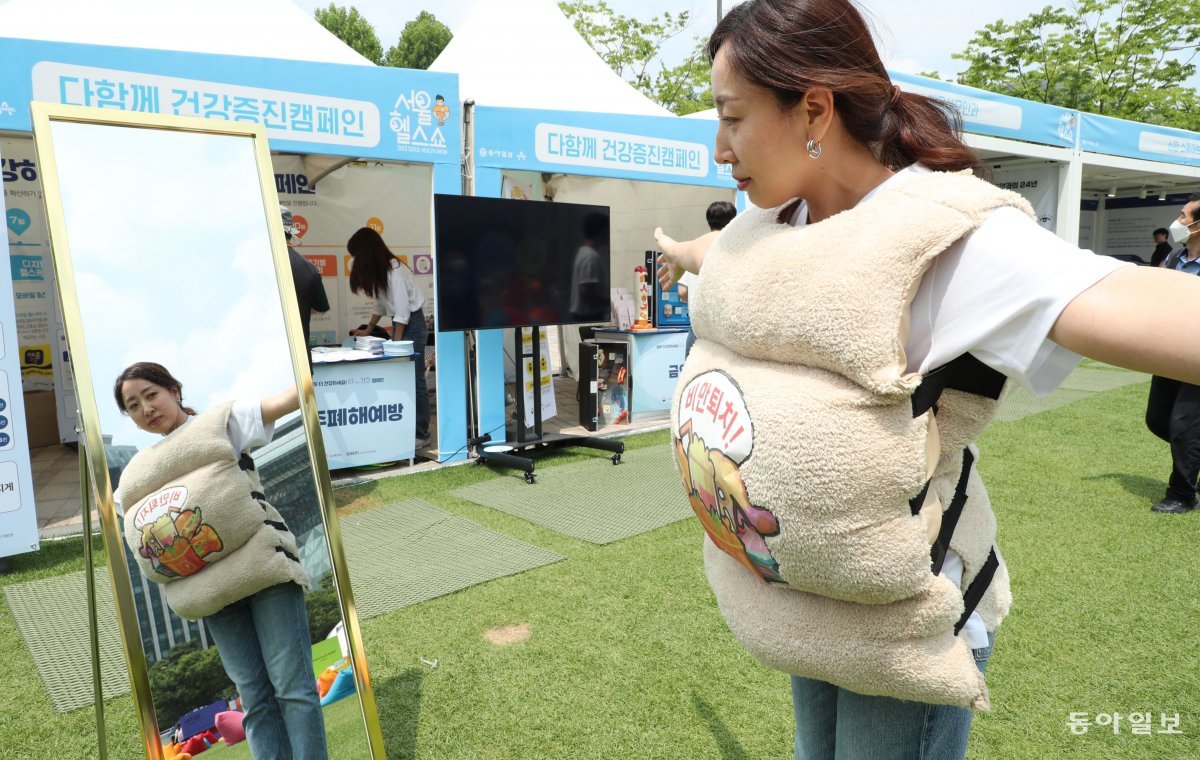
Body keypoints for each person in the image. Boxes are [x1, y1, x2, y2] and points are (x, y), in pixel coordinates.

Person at [654, 2, 1200, 758]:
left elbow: (1138, 305)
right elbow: (720, 250)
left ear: (813, 107)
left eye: (733, 117)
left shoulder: (943, 238)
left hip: (904, 622)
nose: (720, 148)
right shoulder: (782, 221)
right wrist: (678, 249)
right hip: (808, 599)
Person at [113, 362, 327, 760]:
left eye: (151, 394)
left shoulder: (220, 425)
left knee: (292, 687)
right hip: (213, 594)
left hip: (264, 576)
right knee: (254, 699)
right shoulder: (136, 476)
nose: (146, 408)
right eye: (133, 404)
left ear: (174, 390)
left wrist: (319, 368)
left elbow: (286, 400)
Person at [346, 227, 430, 444]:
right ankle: (407, 427)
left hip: (413, 324)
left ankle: (421, 434)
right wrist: (368, 328)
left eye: (356, 255)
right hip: (401, 325)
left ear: (366, 252)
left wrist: (396, 341)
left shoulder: (396, 271)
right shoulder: (382, 272)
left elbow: (403, 312)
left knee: (415, 379)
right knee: (404, 378)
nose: (355, 261)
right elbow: (381, 305)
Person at [1144, 196, 1200, 514]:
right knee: (1158, 419)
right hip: (1169, 352)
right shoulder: (1176, 256)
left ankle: (1182, 495)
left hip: (1196, 356)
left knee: (1184, 425)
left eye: (1183, 215)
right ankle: (1193, 461)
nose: (1177, 221)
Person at [677, 201, 737, 355]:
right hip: (723, 327)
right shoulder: (735, 248)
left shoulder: (695, 247)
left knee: (692, 375)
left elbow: (682, 292)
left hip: (697, 327)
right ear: (734, 220)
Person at [281, 206, 331, 352]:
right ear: (290, 233)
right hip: (299, 359)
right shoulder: (308, 268)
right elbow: (321, 308)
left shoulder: (247, 263)